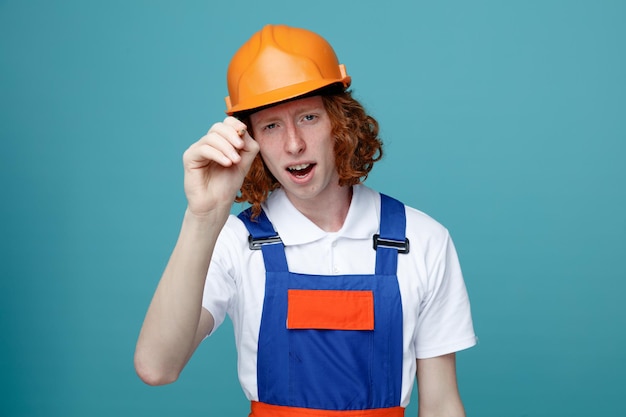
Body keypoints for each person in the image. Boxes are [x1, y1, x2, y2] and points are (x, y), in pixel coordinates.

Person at [135, 24, 477, 417]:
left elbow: (441, 404)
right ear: (251, 142)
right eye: (271, 125)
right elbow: (157, 368)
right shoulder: (232, 239)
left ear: (340, 122)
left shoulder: (422, 239)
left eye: (309, 117)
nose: (293, 143)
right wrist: (203, 217)